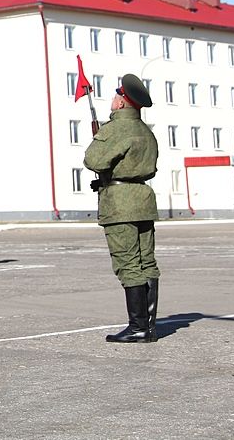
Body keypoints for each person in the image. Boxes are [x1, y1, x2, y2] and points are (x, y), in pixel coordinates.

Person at [84, 74, 160, 343]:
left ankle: (138, 327)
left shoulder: (116, 129)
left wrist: (100, 136)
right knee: (146, 262)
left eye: (116, 96)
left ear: (121, 103)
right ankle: (149, 327)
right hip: (142, 199)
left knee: (128, 264)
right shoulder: (145, 131)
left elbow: (93, 160)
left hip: (120, 203)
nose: (112, 100)